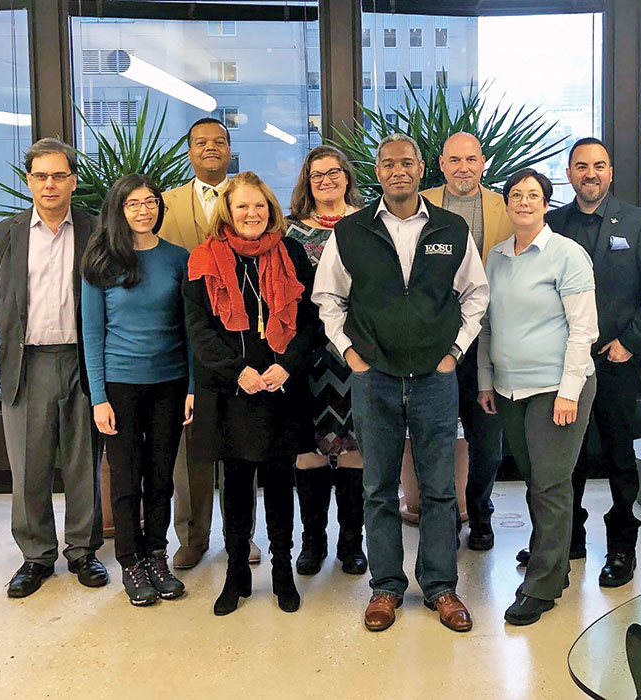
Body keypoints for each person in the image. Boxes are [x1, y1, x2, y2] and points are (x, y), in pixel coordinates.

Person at [313, 133, 488, 633]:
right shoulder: (351, 231)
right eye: (388, 164)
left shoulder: (451, 228)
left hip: (435, 378)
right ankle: (386, 587)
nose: (398, 171)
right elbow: (328, 299)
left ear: (420, 168)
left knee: (437, 490)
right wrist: (351, 354)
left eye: (407, 163)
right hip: (376, 380)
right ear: (377, 170)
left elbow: (476, 294)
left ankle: (440, 587)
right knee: (378, 489)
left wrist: (455, 352)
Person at [540, 137, 641, 587]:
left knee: (620, 455)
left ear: (611, 172)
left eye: (599, 165)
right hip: (564, 361)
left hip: (616, 359)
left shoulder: (639, 222)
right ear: (569, 174)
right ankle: (569, 539)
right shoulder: (552, 222)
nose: (590, 173)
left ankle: (621, 547)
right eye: (581, 166)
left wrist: (630, 340)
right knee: (569, 454)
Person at [183, 171, 318, 616]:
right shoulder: (203, 259)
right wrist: (237, 371)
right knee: (236, 487)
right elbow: (199, 331)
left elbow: (311, 322)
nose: (251, 213)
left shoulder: (292, 252)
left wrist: (285, 366)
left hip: (280, 388)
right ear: (228, 210)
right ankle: (236, 573)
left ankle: (282, 573)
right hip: (229, 392)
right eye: (242, 206)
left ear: (271, 209)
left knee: (281, 485)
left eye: (259, 205)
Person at [0, 138, 108, 598]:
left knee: (81, 463)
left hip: (81, 361)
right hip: (27, 362)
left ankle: (83, 550)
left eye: (59, 175)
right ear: (28, 180)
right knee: (29, 466)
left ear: (73, 180)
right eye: (40, 175)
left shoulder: (95, 232)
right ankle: (35, 556)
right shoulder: (2, 235)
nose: (49, 184)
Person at [477, 169, 599, 625]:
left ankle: (543, 586)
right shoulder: (497, 256)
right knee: (536, 481)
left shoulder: (568, 255)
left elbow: (584, 329)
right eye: (516, 195)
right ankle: (555, 561)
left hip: (557, 389)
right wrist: (486, 382)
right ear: (506, 205)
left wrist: (569, 392)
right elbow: (488, 326)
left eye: (533, 196)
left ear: (546, 204)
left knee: (549, 484)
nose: (524, 202)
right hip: (510, 389)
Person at [81, 174, 192, 606]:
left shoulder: (177, 258)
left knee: (161, 477)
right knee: (126, 478)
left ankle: (157, 554)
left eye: (150, 202)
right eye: (133, 204)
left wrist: (193, 387)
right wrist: (98, 398)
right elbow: (92, 333)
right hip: (119, 386)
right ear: (118, 210)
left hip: (170, 382)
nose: (144, 210)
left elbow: (189, 328)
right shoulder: (101, 261)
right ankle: (130, 561)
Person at [160, 117, 260, 570]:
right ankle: (193, 535)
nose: (210, 148)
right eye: (201, 142)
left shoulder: (249, 198)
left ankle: (244, 535)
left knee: (242, 440)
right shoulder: (166, 204)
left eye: (219, 141)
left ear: (230, 148)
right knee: (191, 444)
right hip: (187, 335)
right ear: (189, 151)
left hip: (241, 343)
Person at [411, 131, 513, 550]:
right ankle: (445, 516)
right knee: (434, 435)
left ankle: (480, 511)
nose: (463, 168)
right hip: (433, 338)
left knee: (486, 437)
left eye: (471, 159)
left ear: (483, 162)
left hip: (488, 337)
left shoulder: (505, 208)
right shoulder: (420, 203)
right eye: (454, 160)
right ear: (440, 164)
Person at [285, 145, 367, 576]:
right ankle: (312, 541)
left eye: (333, 172)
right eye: (317, 175)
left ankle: (352, 544)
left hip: (357, 353)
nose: (327, 180)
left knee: (355, 447)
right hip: (308, 356)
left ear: (346, 176)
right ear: (307, 181)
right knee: (309, 449)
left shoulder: (369, 223)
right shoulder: (290, 232)